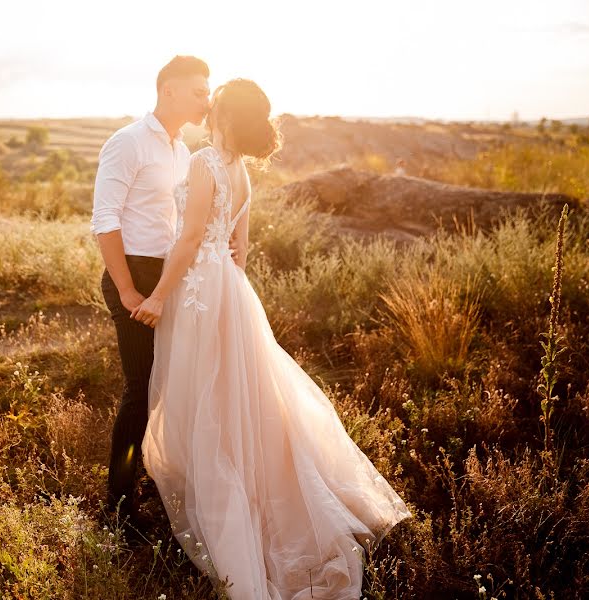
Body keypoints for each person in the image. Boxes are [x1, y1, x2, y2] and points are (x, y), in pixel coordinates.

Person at [134, 79, 412, 599]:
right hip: (231, 290)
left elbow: (191, 238)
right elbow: (240, 246)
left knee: (209, 394)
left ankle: (225, 498)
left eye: (212, 96)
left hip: (199, 290)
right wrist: (220, 272)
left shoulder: (204, 162)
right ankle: (254, 482)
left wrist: (158, 297)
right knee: (239, 392)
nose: (207, 100)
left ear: (221, 112)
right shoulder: (239, 171)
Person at [90, 55, 210, 533]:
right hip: (134, 277)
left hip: (169, 280)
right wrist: (126, 289)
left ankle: (157, 485)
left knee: (169, 391)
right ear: (170, 90)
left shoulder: (184, 152)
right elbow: (105, 220)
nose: (207, 99)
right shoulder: (127, 142)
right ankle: (117, 507)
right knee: (139, 392)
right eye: (199, 90)